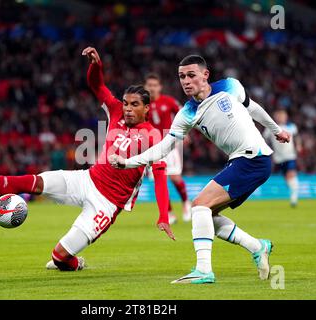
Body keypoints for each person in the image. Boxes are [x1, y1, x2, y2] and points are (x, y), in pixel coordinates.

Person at [0, 46, 174, 272]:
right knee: (31, 182)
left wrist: (163, 215)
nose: (127, 109)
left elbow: (161, 175)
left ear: (146, 108)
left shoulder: (154, 136)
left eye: (134, 105)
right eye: (126, 103)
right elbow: (97, 85)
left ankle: (75, 263)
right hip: (86, 179)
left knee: (60, 257)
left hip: (107, 203)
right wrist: (96, 66)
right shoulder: (115, 111)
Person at [109, 55, 290, 284]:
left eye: (191, 75)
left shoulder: (230, 86)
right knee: (207, 214)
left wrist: (276, 130)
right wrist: (128, 162)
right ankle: (257, 246)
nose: (186, 81)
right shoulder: (187, 113)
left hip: (253, 158)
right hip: (241, 161)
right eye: (182, 76)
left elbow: (252, 108)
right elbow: (163, 148)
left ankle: (204, 270)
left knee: (199, 205)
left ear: (205, 75)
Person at [144, 73, 191, 224]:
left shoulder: (168, 101)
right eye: (149, 85)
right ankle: (169, 213)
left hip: (169, 143)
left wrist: (184, 133)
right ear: (145, 87)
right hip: (152, 147)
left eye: (154, 85)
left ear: (160, 87)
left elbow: (184, 114)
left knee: (175, 177)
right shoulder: (141, 105)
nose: (151, 88)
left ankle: (185, 203)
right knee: (160, 180)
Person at [263, 109, 300, 207]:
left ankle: (294, 198)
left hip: (290, 155)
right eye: (279, 116)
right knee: (287, 177)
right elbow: (265, 139)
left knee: (291, 174)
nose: (281, 118)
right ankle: (293, 192)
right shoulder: (270, 128)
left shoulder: (291, 127)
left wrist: (299, 146)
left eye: (283, 116)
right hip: (278, 158)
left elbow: (296, 138)